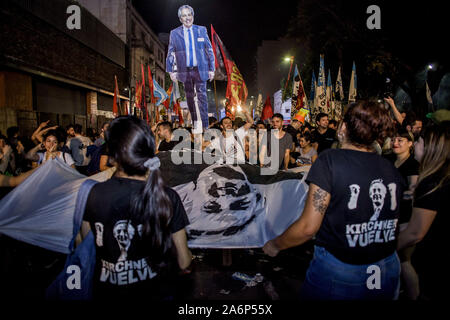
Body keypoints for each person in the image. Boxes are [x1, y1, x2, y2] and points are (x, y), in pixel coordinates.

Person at [263, 100, 404, 300]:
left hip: (342, 269)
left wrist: (275, 245)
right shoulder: (389, 167)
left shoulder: (330, 160)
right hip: (388, 265)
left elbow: (308, 227)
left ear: (344, 127)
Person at [82, 116, 192, 300]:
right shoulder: (167, 196)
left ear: (112, 153)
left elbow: (86, 252)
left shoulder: (92, 194)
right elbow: (184, 261)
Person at [397, 122, 450, 300]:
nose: (416, 146)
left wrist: (384, 247)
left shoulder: (432, 183)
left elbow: (415, 233)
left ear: (430, 147)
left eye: (419, 142)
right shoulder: (441, 177)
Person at [166, 5, 215, 133]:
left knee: (202, 96)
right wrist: (171, 71)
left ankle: (204, 125)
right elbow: (171, 52)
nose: (187, 18)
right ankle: (195, 123)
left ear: (193, 16)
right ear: (180, 19)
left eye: (189, 15)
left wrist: (212, 69)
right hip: (185, 70)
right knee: (189, 97)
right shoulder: (175, 33)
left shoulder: (201, 30)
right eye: (184, 16)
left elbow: (209, 50)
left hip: (200, 69)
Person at [385, 126, 420, 299]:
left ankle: (415, 296)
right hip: (389, 217)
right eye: (394, 139)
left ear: (410, 143)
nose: (395, 143)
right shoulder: (388, 159)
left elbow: (413, 190)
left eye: (400, 140)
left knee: (404, 260)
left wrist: (394, 194)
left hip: (406, 217)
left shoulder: (412, 164)